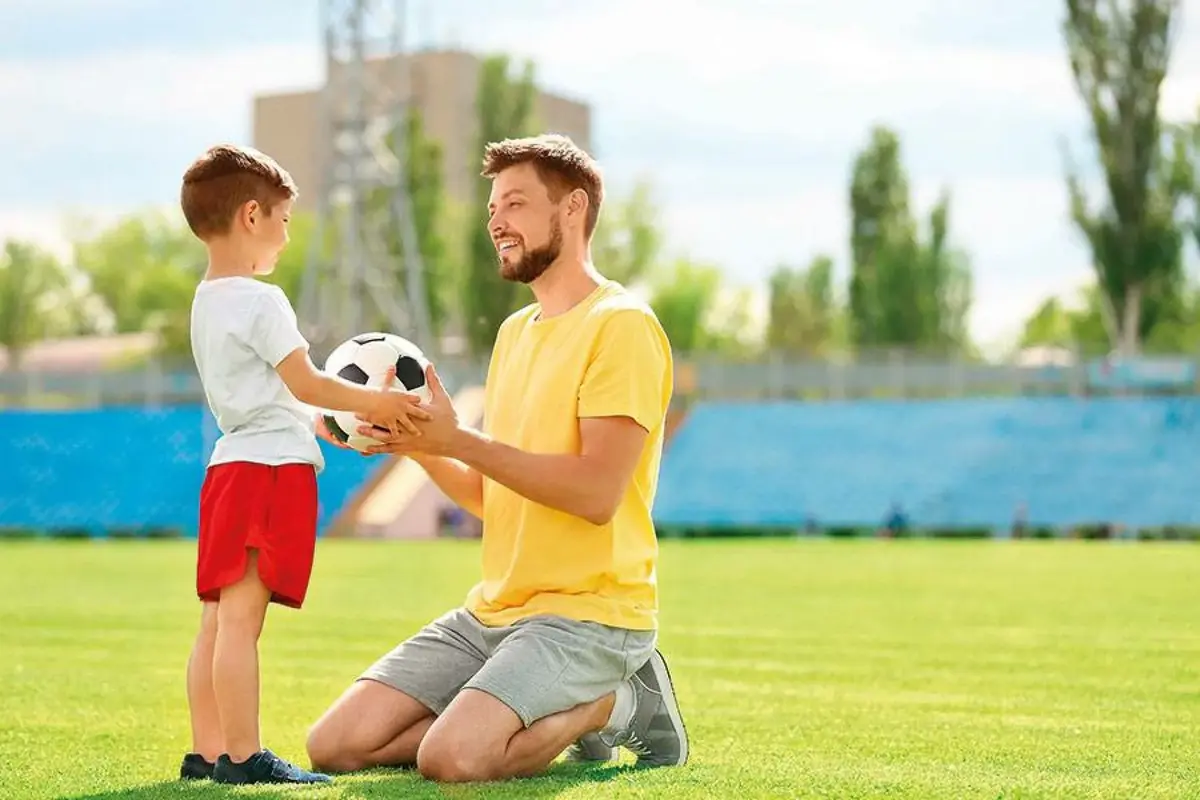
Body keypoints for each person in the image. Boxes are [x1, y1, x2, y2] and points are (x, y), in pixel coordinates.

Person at [305, 133, 689, 783]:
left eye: (514, 203)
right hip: (494, 611)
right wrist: (418, 446)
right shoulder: (515, 334)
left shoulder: (621, 327)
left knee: (454, 759)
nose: (497, 223)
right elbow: (492, 498)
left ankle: (611, 702)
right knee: (335, 745)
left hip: (591, 614)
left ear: (572, 208)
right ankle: (511, 702)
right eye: (491, 211)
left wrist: (457, 439)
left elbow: (596, 495)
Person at [179, 144, 429, 786]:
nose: (288, 237)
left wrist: (334, 432)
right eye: (286, 221)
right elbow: (308, 382)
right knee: (242, 621)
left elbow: (279, 399)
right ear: (253, 215)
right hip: (267, 472)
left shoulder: (207, 301)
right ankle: (244, 757)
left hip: (231, 464)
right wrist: (375, 399)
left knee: (215, 620)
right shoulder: (262, 302)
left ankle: (208, 752)